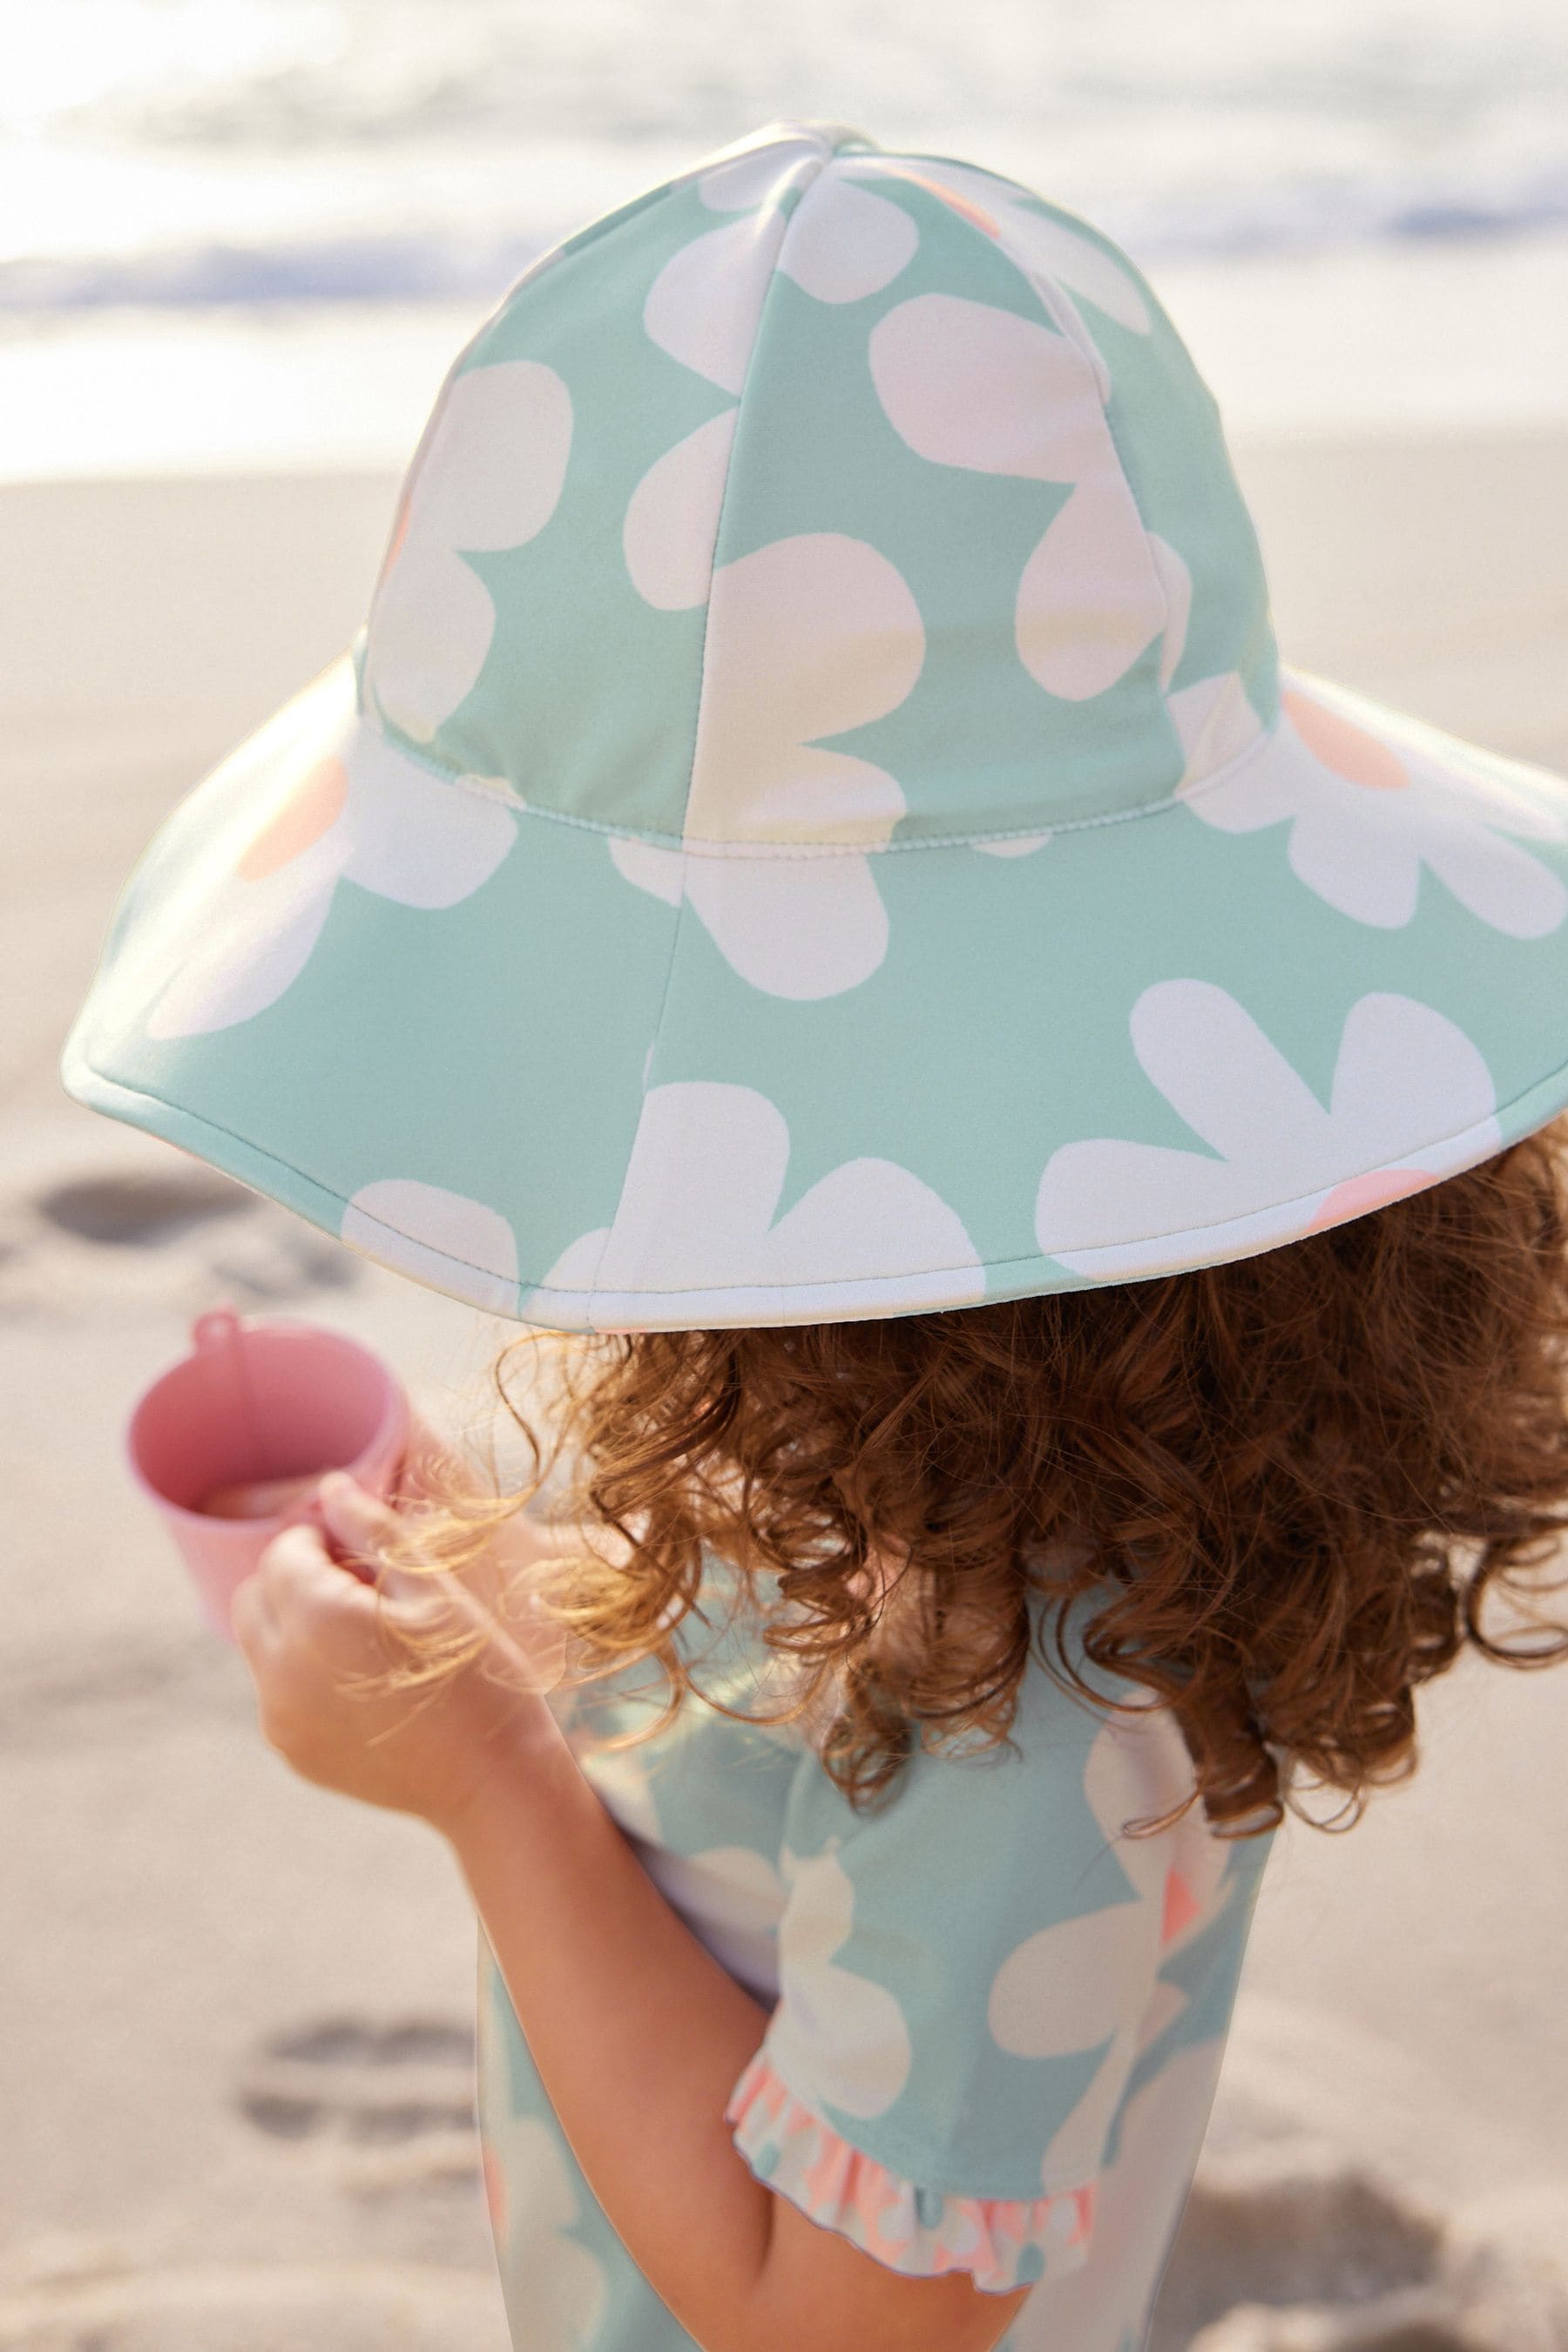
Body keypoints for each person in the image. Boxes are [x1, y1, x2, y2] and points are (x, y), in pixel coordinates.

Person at [57, 119, 1568, 2352]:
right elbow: (812, 1756)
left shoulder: (1028, 1711)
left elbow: (827, 2327)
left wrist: (486, 1789)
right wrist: (561, 1631)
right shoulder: (1107, 1404)